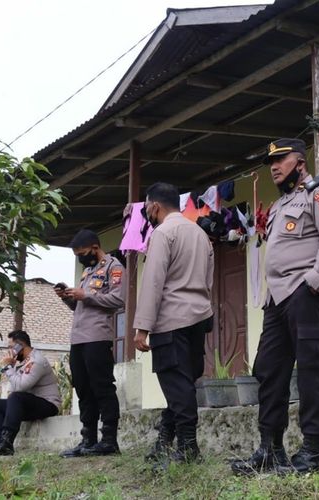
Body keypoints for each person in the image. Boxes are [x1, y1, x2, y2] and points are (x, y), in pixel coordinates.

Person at [231, 138, 319, 475]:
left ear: (300, 161)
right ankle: (271, 450)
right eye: (271, 162)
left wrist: (314, 283)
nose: (274, 167)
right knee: (268, 370)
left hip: (306, 293)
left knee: (312, 368)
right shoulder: (280, 207)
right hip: (277, 298)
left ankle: (314, 452)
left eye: (281, 159)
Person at [133, 182, 214, 468]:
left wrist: (143, 326)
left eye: (147, 208)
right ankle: (164, 441)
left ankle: (188, 447)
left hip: (170, 321)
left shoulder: (163, 233)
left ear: (154, 206)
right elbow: (208, 278)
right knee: (183, 384)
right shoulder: (201, 234)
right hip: (197, 316)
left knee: (176, 384)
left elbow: (153, 281)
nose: (147, 214)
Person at [56, 229, 125, 457]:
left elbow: (118, 299)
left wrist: (86, 296)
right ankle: (88, 439)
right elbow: (81, 306)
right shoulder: (87, 272)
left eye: (83, 253)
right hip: (78, 339)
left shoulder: (113, 267)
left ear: (95, 248)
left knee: (102, 387)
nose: (81, 258)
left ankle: (109, 440)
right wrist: (69, 298)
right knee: (83, 389)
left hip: (97, 337)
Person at [0, 330, 61, 455]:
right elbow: (14, 390)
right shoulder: (24, 362)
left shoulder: (36, 361)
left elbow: (20, 387)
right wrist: (12, 367)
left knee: (16, 397)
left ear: (20, 345)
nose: (8, 351)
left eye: (10, 347)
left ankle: (7, 441)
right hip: (29, 403)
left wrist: (8, 368)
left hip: (48, 404)